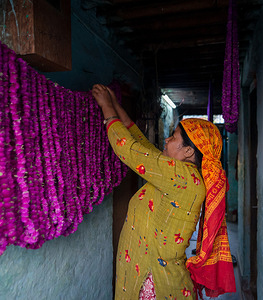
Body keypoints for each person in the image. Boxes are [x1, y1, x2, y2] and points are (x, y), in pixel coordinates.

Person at [92, 84, 236, 299]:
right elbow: (142, 145)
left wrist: (106, 109)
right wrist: (115, 105)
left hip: (154, 282)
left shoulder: (181, 176)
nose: (167, 140)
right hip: (156, 275)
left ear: (188, 151)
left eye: (173, 138)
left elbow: (128, 149)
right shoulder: (183, 174)